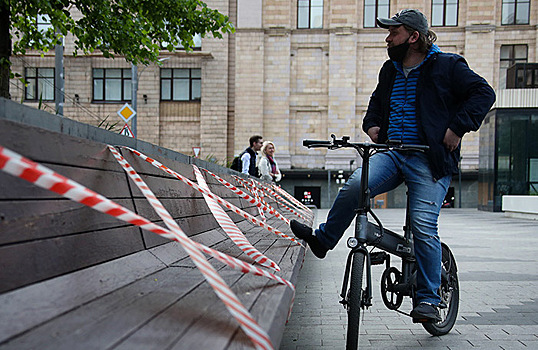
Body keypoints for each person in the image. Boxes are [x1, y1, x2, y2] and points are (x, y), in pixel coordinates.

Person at [290, 9, 495, 323]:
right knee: (354, 188)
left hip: (429, 158)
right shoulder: (390, 69)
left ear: (413, 37)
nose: (388, 38)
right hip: (392, 154)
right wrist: (372, 126)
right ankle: (324, 240)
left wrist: (457, 128)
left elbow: (484, 94)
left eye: (393, 33)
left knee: (424, 226)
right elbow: (375, 106)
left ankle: (429, 300)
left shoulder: (447, 65)